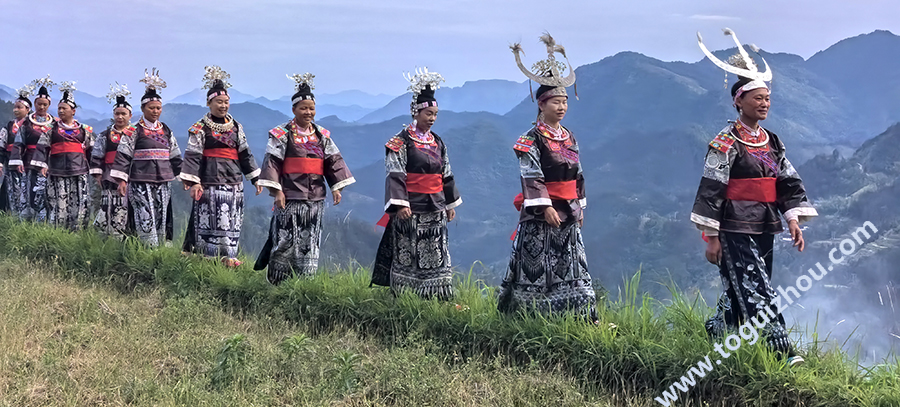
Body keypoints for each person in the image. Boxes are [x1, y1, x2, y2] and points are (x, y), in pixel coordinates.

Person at [692, 29, 818, 366]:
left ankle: (718, 329)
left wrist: (792, 218)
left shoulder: (772, 141)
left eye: (767, 99)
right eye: (757, 98)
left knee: (742, 285)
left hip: (764, 222)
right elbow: (711, 188)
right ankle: (782, 351)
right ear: (739, 101)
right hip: (733, 225)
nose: (764, 104)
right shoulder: (725, 142)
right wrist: (712, 237)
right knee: (758, 287)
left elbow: (787, 181)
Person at [497, 34, 599, 322]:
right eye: (556, 101)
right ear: (541, 104)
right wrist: (545, 207)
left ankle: (578, 316)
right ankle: (532, 317)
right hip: (543, 213)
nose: (562, 107)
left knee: (573, 265)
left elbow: (578, 174)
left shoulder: (569, 137)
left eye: (565, 101)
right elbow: (532, 175)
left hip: (568, 209)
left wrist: (579, 206)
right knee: (537, 267)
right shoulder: (530, 140)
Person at [255, 73, 355, 283]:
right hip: (290, 197)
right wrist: (277, 191)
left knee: (310, 241)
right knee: (284, 240)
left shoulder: (322, 135)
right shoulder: (281, 134)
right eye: (303, 108)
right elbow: (272, 162)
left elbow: (333, 161)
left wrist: (336, 187)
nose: (308, 112)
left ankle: (304, 283)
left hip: (316, 199)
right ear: (294, 110)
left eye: (311, 108)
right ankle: (277, 282)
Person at [371, 68, 461, 299]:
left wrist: (449, 204)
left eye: (435, 114)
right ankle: (406, 295)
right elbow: (395, 173)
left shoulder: (438, 142)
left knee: (436, 251)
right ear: (416, 112)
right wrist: (401, 203)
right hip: (411, 207)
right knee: (408, 251)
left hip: (436, 205)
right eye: (428, 113)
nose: (432, 118)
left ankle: (437, 295)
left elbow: (446, 173)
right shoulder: (400, 141)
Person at [180, 66, 261, 267]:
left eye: (226, 102)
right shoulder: (200, 127)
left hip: (234, 181)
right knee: (210, 220)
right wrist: (193, 181)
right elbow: (193, 155)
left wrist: (256, 178)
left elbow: (245, 154)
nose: (223, 106)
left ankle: (228, 257)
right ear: (209, 103)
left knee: (230, 220)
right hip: (209, 181)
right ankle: (206, 258)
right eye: (219, 102)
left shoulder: (236, 127)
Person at [110, 68, 182, 247]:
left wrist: (184, 177)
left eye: (158, 108)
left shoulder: (166, 130)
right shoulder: (133, 130)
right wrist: (122, 180)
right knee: (143, 217)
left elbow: (175, 154)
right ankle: (142, 250)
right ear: (143, 109)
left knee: (162, 216)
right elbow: (124, 155)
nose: (155, 111)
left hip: (163, 181)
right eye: (151, 108)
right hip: (140, 181)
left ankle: (160, 253)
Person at [36, 82, 94, 230]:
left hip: (79, 171)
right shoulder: (51, 129)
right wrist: (43, 164)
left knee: (80, 204)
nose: (61, 111)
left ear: (73, 111)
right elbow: (42, 147)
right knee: (58, 204)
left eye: (64, 108)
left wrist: (95, 170)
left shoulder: (83, 130)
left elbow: (92, 150)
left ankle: (79, 233)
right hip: (57, 172)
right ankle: (58, 233)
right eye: (59, 108)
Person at [90, 83, 134, 239]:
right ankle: (104, 237)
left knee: (127, 207)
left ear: (130, 115)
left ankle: (125, 237)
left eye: (123, 113)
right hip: (109, 177)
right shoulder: (105, 134)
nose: (120, 117)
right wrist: (98, 175)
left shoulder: (135, 134)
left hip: (130, 177)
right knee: (107, 206)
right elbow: (97, 155)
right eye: (117, 113)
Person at [16, 76, 56, 222]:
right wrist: (18, 160)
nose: (42, 107)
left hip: (49, 163)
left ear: (49, 105)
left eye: (45, 104)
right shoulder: (26, 123)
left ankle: (46, 221)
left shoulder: (54, 124)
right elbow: (19, 142)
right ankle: (26, 221)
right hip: (29, 162)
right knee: (29, 191)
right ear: (34, 103)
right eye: (39, 104)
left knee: (46, 192)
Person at [0, 86, 33, 214]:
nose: (16, 110)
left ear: (28, 110)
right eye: (15, 107)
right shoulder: (9, 126)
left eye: (20, 107)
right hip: (10, 161)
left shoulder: (31, 126)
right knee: (10, 186)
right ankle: (9, 213)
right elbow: (1, 144)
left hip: (27, 161)